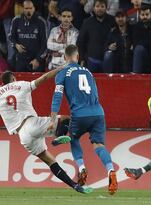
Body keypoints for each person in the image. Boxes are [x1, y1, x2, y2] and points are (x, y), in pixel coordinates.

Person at [0, 69, 90, 194]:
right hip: (31, 123)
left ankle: (74, 185)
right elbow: (44, 77)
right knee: (66, 119)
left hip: (23, 136)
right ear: (13, 78)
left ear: (3, 83)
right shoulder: (21, 84)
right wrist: (60, 68)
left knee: (50, 161)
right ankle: (58, 137)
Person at [49, 44, 118, 195]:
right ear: (78, 57)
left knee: (73, 139)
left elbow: (58, 95)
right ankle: (111, 170)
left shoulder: (62, 72)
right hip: (98, 113)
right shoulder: (88, 72)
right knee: (99, 145)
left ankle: (81, 168)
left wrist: (53, 116)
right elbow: (95, 93)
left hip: (80, 114)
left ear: (65, 57)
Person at [76, 0, 115, 72]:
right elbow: (80, 42)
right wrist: (81, 59)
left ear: (106, 8)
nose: (99, 9)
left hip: (108, 58)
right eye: (97, 6)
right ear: (93, 8)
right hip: (91, 59)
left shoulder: (113, 21)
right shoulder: (87, 22)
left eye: (102, 6)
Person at [9, 0, 47, 72]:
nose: (28, 11)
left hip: (36, 61)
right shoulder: (16, 20)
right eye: (26, 8)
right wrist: (16, 45)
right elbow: (11, 37)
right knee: (20, 82)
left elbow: (45, 44)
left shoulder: (41, 22)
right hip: (21, 60)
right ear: (23, 9)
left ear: (34, 8)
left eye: (30, 8)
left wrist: (38, 59)